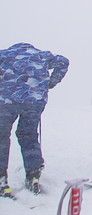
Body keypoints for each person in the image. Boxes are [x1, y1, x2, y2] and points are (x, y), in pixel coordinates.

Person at [0, 42, 69, 197]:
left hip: (6, 101)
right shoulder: (40, 55)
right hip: (34, 100)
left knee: (1, 136)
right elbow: (63, 61)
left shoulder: (4, 55)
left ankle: (1, 180)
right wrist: (51, 82)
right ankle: (33, 175)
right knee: (28, 135)